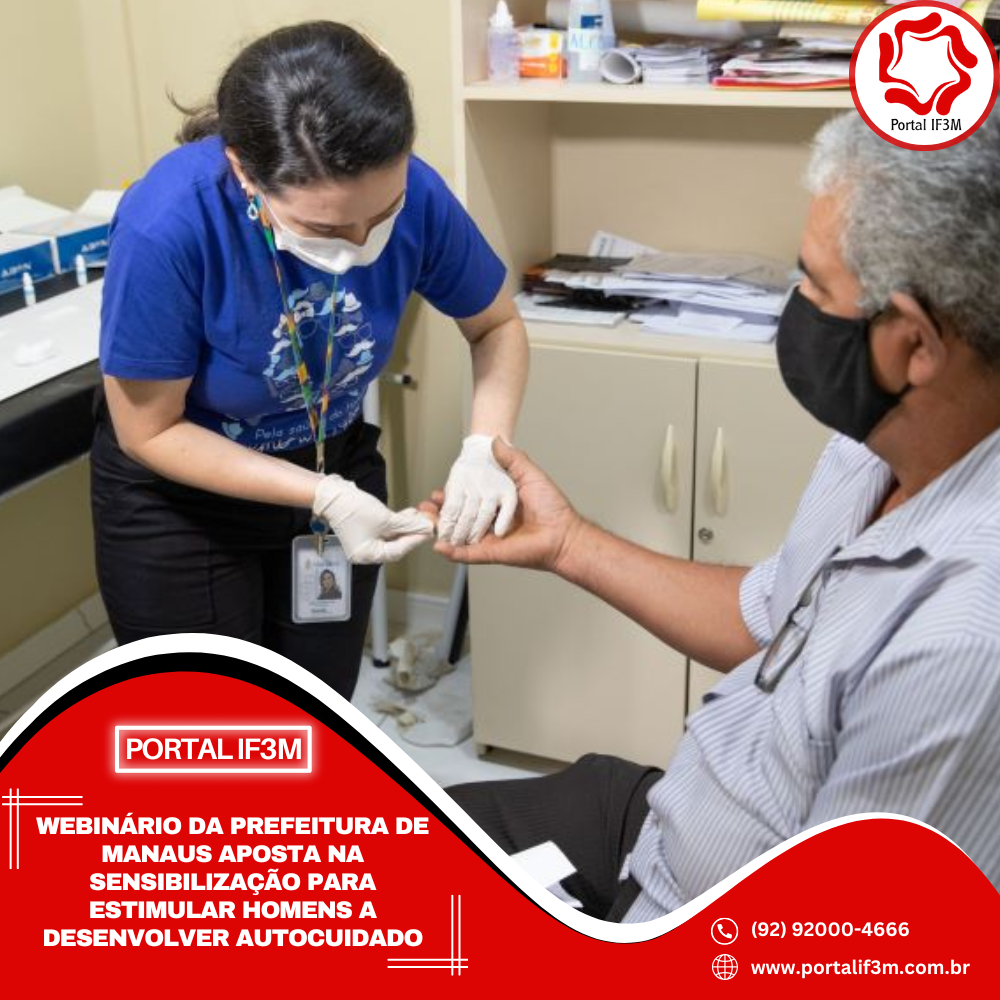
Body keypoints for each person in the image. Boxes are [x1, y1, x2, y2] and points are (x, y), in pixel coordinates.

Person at [428, 110, 1000, 920]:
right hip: (665, 822)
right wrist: (568, 543)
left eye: (814, 285)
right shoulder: (876, 446)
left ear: (913, 343)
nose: (796, 306)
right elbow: (771, 618)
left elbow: (834, 944)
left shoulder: (964, 644)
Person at [91, 22, 527, 699]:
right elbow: (149, 430)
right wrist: (321, 494)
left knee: (316, 717)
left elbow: (495, 324)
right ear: (245, 171)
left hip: (333, 464)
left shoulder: (418, 194)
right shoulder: (169, 223)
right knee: (216, 734)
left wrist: (484, 448)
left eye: (381, 214)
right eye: (325, 228)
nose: (360, 243)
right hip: (185, 502)